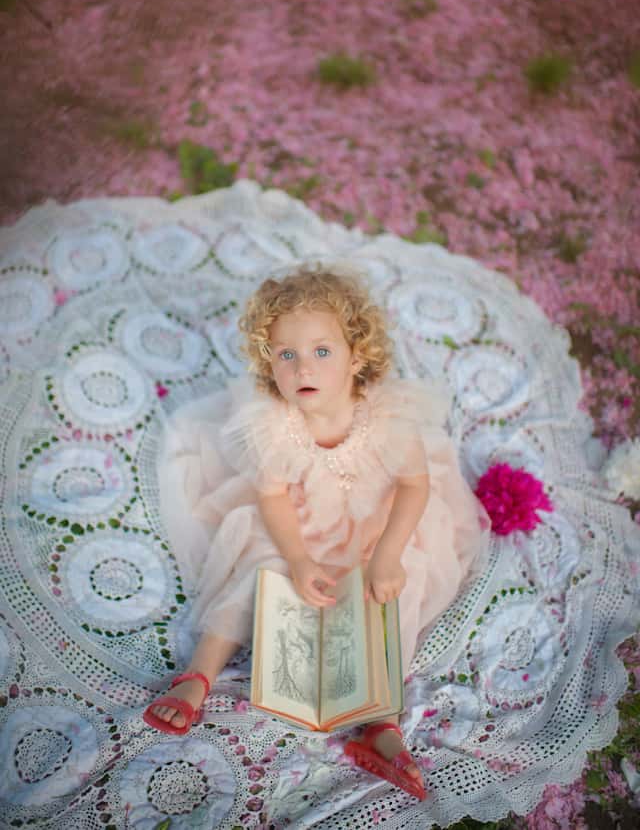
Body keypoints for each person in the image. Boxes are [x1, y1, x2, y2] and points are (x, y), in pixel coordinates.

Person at [143, 264, 490, 799]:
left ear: (357, 357)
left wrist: (388, 554)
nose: (303, 366)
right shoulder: (276, 424)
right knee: (257, 567)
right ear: (270, 362)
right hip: (303, 525)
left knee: (394, 589)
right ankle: (198, 676)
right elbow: (272, 497)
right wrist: (300, 559)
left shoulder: (389, 417)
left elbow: (414, 487)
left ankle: (381, 722)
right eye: (286, 354)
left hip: (377, 527)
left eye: (322, 351)